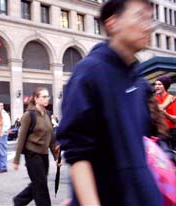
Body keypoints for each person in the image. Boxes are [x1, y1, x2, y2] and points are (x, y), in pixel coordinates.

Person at [56, 0, 162, 205]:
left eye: (150, 19)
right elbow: (78, 152)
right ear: (112, 23)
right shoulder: (89, 73)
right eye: (140, 16)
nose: (148, 25)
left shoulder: (137, 81)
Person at [13, 87, 60, 206]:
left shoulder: (48, 114)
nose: (46, 99)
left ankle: (19, 200)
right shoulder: (29, 115)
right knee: (41, 185)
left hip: (44, 156)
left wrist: (57, 157)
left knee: (38, 183)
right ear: (36, 99)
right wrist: (16, 159)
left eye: (47, 96)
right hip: (32, 154)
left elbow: (51, 138)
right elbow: (21, 138)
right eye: (43, 97)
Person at [154, 76, 176, 149]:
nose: (157, 86)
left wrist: (166, 114)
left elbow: (175, 119)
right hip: (160, 132)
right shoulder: (153, 100)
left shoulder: (173, 99)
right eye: (156, 84)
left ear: (165, 86)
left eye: (160, 84)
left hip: (173, 132)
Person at [0, 101, 11, 173]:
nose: (1, 107)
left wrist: (2, 132)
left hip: (2, 135)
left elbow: (7, 125)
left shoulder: (4, 114)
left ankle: (3, 167)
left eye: (2, 105)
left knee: (2, 151)